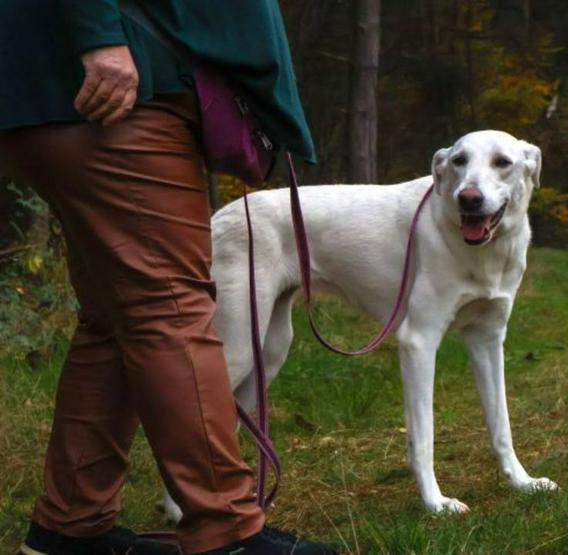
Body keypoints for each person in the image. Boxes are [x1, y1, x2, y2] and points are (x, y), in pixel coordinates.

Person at [0, 1, 333, 554]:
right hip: (116, 87)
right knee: (170, 308)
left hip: (89, 89)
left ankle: (70, 527)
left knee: (116, 317)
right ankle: (225, 529)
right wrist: (98, 36)